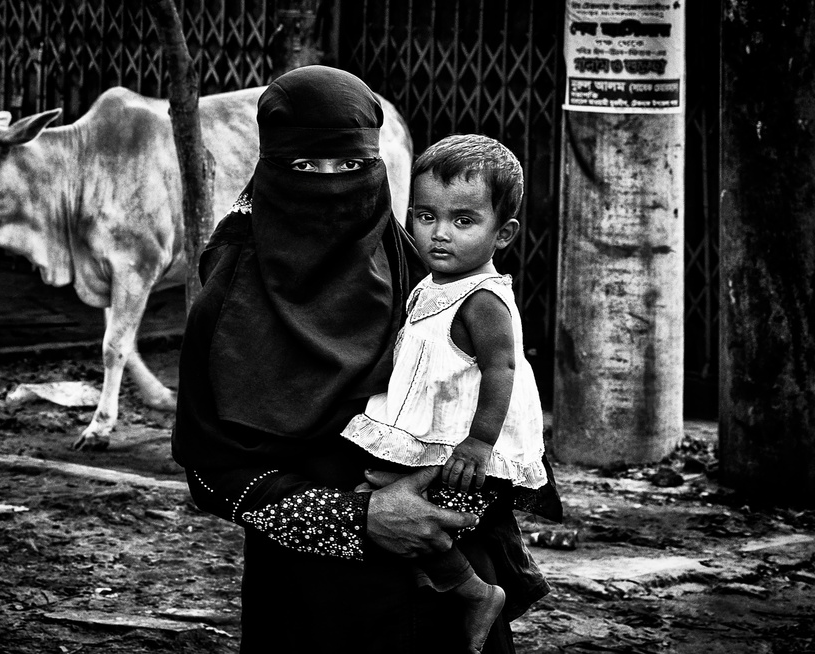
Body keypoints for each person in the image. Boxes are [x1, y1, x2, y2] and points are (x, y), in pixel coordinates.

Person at [171, 65, 555, 654]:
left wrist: (451, 487)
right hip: (313, 603)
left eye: (351, 167)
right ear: (270, 169)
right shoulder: (228, 301)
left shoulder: (408, 263)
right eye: (305, 167)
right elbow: (210, 473)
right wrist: (358, 518)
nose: (331, 185)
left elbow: (485, 394)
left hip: (444, 595)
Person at [341, 133, 561, 652]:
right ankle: (437, 577)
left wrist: (479, 443)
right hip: (429, 431)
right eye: (425, 216)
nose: (440, 234)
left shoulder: (481, 299)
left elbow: (503, 370)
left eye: (464, 221)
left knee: (392, 500)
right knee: (378, 496)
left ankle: (474, 591)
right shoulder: (431, 282)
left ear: (502, 233)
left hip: (459, 443)